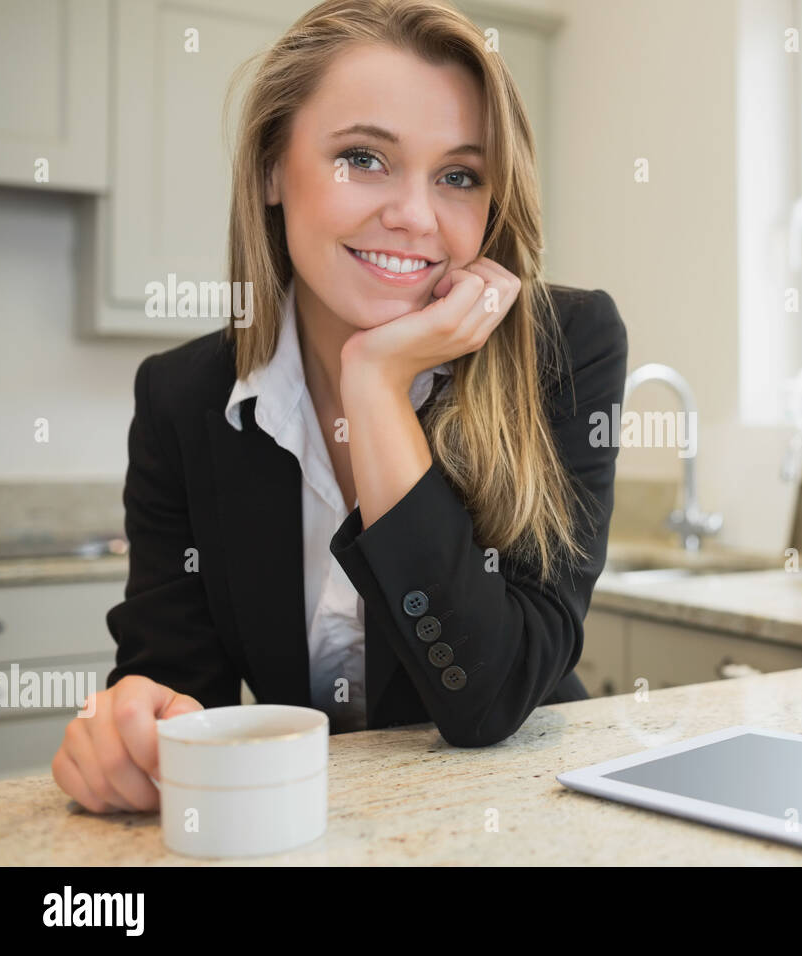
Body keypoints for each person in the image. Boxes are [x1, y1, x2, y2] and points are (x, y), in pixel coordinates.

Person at [51, 0, 628, 814]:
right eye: (364, 157)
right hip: (311, 824)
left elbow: (487, 698)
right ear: (270, 170)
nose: (417, 217)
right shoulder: (184, 398)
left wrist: (376, 386)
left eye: (459, 175)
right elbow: (177, 684)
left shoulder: (564, 349)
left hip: (524, 816)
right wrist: (127, 727)